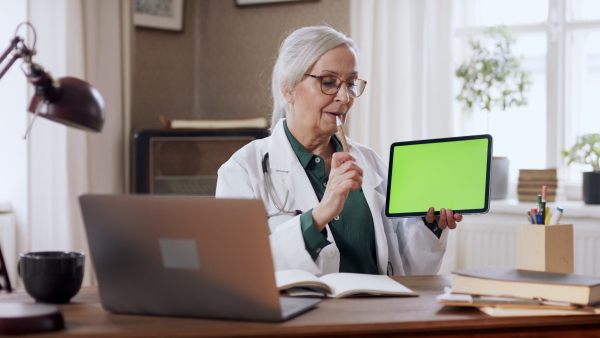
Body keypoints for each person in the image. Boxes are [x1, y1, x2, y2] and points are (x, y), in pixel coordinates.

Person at [216, 25, 462, 277]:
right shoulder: (243, 170)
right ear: (287, 89)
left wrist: (428, 227)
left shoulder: (369, 162)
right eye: (329, 82)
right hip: (304, 315)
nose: (345, 97)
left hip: (376, 312)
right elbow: (240, 268)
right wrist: (321, 213)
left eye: (351, 83)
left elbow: (405, 269)